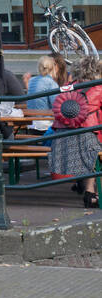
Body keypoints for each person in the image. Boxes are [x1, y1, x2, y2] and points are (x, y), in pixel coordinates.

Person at [48, 53, 102, 208]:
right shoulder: (99, 88)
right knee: (94, 150)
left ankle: (81, 183)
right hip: (88, 138)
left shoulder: (67, 88)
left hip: (61, 138)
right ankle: (91, 193)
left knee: (87, 145)